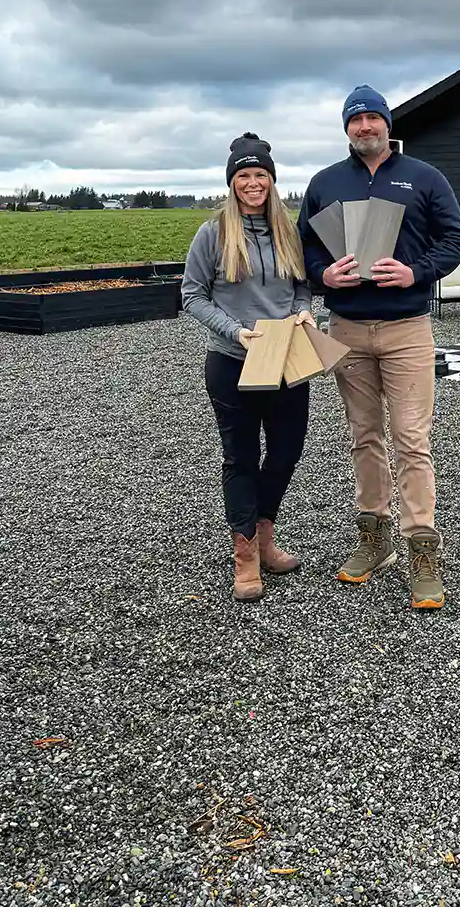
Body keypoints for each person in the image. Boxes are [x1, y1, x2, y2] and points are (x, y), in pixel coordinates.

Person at [297, 85, 460, 610]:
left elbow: (454, 239)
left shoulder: (424, 177)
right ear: (346, 128)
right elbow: (302, 248)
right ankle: (375, 539)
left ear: (386, 124)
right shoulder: (325, 183)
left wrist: (415, 271)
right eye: (356, 120)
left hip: (406, 330)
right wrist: (323, 273)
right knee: (364, 437)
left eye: (373, 117)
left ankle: (423, 550)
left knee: (412, 439)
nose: (365, 127)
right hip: (347, 328)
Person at [182, 133, 315, 602]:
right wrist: (234, 330)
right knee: (240, 456)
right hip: (233, 361)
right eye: (244, 176)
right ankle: (244, 554)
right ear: (232, 182)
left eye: (260, 175)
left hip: (284, 359)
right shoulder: (213, 233)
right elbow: (192, 295)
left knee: (285, 453)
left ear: (272, 181)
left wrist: (303, 310)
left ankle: (264, 537)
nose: (253, 183)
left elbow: (302, 287)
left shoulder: (287, 231)